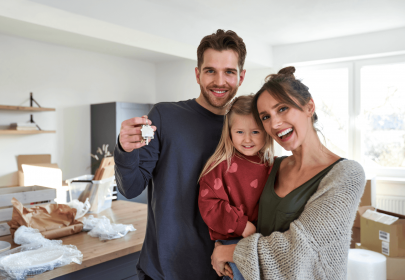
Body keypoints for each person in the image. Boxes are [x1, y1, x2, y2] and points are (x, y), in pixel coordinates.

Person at [114, 29, 247, 280]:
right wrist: (125, 149)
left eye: (229, 71)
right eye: (210, 71)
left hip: (222, 273)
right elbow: (130, 188)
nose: (220, 81)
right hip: (162, 272)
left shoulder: (248, 133)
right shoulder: (164, 117)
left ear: (241, 76)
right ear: (198, 74)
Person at [210, 66, 366, 280]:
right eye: (265, 117)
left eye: (282, 109)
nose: (274, 123)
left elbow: (299, 251)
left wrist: (227, 251)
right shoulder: (272, 167)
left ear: (309, 106)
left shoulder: (346, 174)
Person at [198, 95, 274, 280]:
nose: (247, 139)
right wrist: (241, 225)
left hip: (263, 243)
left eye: (255, 132)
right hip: (232, 239)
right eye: (240, 132)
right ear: (229, 132)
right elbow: (209, 205)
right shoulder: (220, 166)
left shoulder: (273, 165)